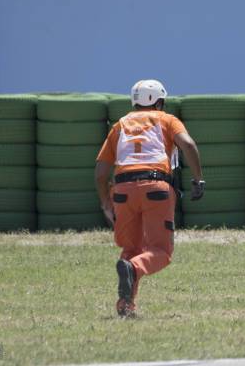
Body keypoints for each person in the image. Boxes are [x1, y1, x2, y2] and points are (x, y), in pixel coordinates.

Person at [95, 79, 205, 318]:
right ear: (159, 101)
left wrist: (106, 202)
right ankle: (134, 269)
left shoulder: (120, 125)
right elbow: (187, 144)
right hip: (156, 187)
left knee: (130, 249)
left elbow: (101, 172)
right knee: (161, 252)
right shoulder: (166, 119)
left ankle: (126, 305)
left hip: (122, 191)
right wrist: (198, 179)